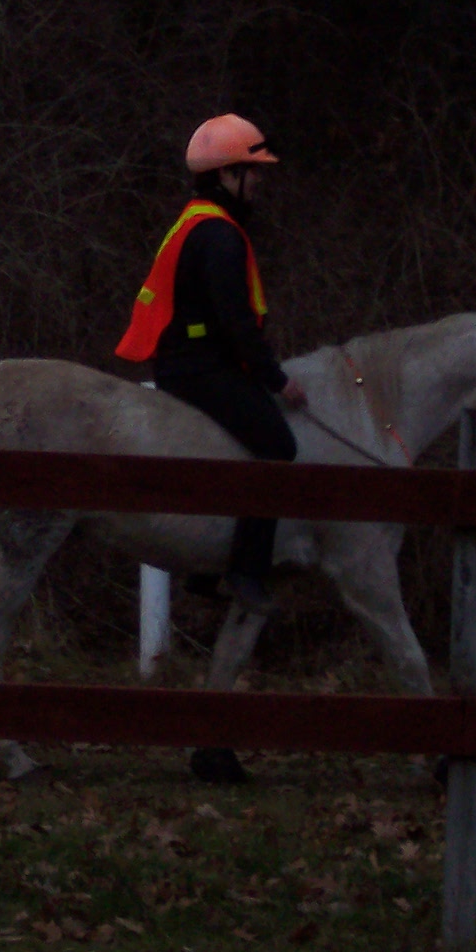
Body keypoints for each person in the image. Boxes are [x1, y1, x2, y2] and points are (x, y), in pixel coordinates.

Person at [115, 114, 307, 614]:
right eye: (252, 171)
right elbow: (237, 324)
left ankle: (204, 572)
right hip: (199, 369)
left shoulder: (194, 220)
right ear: (227, 175)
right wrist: (276, 381)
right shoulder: (219, 236)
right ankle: (244, 572)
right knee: (278, 446)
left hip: (182, 363)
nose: (258, 181)